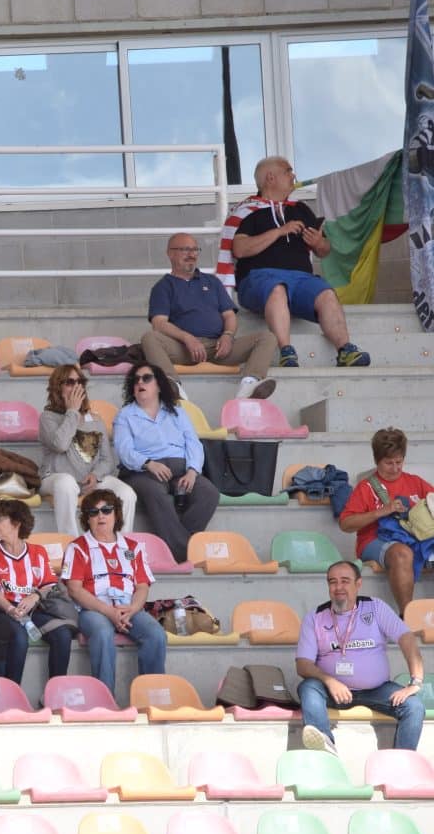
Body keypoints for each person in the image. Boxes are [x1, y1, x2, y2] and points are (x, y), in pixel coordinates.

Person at [223, 156, 370, 368]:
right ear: (270, 177)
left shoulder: (301, 208)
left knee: (327, 293)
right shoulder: (247, 211)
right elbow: (239, 249)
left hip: (302, 279)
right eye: (288, 171)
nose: (293, 176)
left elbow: (324, 251)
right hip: (260, 278)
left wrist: (318, 242)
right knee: (277, 289)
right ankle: (286, 352)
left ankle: (345, 350)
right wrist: (280, 231)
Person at [296, 561, 424, 753]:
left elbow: (407, 639)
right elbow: (303, 664)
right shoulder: (315, 617)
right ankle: (325, 746)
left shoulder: (375, 607)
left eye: (345, 581)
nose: (338, 587)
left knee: (414, 706)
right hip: (332, 691)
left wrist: (415, 682)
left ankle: (400, 761)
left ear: (358, 584)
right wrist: (330, 681)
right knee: (308, 687)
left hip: (376, 689)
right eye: (332, 582)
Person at [143, 232, 277, 400]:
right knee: (150, 338)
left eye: (195, 250)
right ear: (170, 253)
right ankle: (172, 386)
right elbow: (159, 323)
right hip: (184, 349)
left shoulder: (212, 282)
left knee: (267, 337)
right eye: (185, 250)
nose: (191, 254)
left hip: (218, 347)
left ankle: (249, 386)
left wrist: (228, 335)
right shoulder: (163, 287)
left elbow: (229, 316)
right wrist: (188, 338)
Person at [62, 487, 167, 693]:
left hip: (129, 607)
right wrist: (108, 611)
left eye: (106, 510)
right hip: (92, 609)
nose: (100, 516)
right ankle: (105, 698)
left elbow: (142, 586)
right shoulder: (77, 547)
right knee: (102, 632)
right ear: (87, 519)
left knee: (156, 634)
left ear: (116, 514)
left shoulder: (134, 547)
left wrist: (132, 609)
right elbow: (75, 590)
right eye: (94, 512)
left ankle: (151, 696)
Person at [113, 362, 219, 563]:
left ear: (159, 385)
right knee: (156, 494)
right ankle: (184, 554)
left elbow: (193, 443)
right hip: (143, 471)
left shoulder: (177, 412)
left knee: (209, 493)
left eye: (146, 378)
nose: (140, 383)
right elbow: (124, 450)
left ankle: (175, 546)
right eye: (136, 380)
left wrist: (192, 471)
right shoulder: (125, 415)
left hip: (181, 469)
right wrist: (149, 463)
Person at [0, 498, 76, 685]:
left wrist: (35, 596)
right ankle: (12, 691)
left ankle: (55, 691)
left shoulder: (38, 552)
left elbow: (49, 583)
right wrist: (10, 609)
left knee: (62, 634)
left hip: (34, 609)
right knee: (19, 636)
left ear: (16, 523)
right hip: (0, 611)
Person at [339, 428, 434, 614]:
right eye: (389, 463)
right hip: (373, 541)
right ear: (377, 461)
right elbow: (346, 524)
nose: (395, 468)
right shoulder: (366, 487)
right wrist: (382, 511)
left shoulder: (415, 482)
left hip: (413, 539)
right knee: (401, 553)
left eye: (399, 462)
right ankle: (407, 617)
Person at [38, 364, 136, 535]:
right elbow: (60, 445)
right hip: (54, 477)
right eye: (70, 382)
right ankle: (70, 541)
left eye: (80, 382)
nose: (76, 386)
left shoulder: (95, 420)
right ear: (58, 387)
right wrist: (72, 411)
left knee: (127, 493)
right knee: (66, 483)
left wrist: (96, 475)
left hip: (89, 480)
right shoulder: (48, 418)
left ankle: (120, 544)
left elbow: (107, 460)